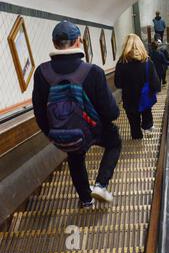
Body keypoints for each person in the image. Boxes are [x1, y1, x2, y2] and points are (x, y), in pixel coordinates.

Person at [32, 21, 122, 209]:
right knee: (114, 142)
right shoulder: (93, 71)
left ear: (54, 43)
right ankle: (101, 185)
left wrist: (52, 132)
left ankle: (86, 200)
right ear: (78, 42)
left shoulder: (41, 72)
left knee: (75, 156)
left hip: (62, 133)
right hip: (94, 129)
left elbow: (39, 110)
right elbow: (111, 112)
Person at [115, 34, 161, 140]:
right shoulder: (147, 62)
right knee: (146, 112)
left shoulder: (121, 63)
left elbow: (118, 84)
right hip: (145, 97)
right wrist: (154, 90)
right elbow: (155, 83)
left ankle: (137, 140)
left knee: (134, 125)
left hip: (129, 100)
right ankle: (147, 126)